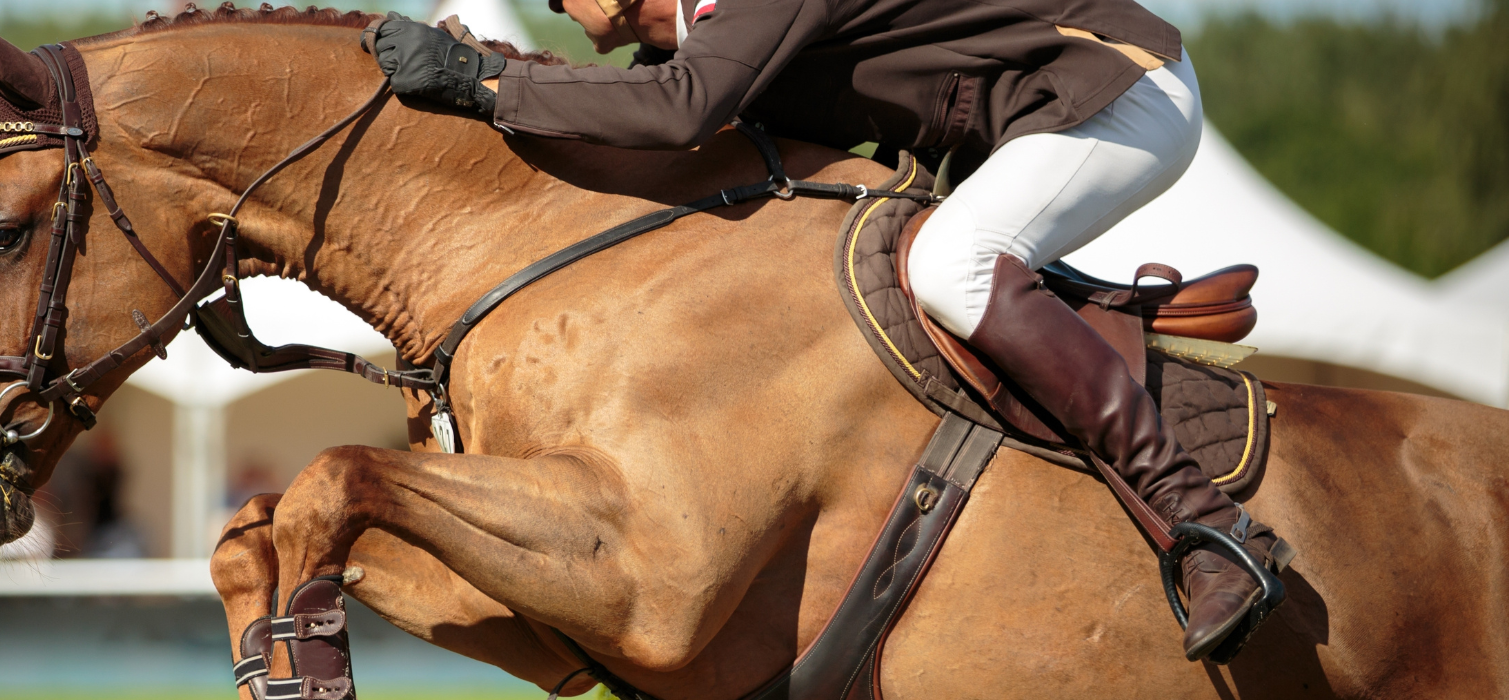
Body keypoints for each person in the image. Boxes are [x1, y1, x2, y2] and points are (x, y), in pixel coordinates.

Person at [370, 0, 1290, 661]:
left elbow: (678, 111)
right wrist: (487, 80)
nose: (549, 5)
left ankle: (1210, 527)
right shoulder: (709, 35)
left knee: (952, 268)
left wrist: (486, 80)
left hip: (1118, 93)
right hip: (1027, 123)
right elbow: (644, 108)